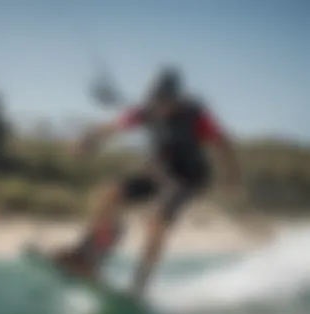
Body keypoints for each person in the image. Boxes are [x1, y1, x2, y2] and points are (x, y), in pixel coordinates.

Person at [52, 67, 241, 300]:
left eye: (166, 101)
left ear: (176, 98)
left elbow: (223, 143)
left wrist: (232, 176)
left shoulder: (196, 115)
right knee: (110, 192)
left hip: (188, 178)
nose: (161, 106)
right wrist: (88, 141)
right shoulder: (146, 111)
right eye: (157, 100)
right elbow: (112, 127)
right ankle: (88, 255)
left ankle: (140, 285)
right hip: (158, 174)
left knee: (157, 220)